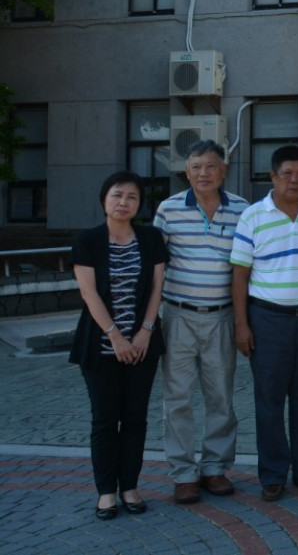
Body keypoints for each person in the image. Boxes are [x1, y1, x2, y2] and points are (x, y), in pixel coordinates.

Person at [230, 145, 298, 501]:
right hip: (268, 320)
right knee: (270, 399)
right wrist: (241, 325)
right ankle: (273, 474)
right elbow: (239, 274)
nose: (294, 180)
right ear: (273, 176)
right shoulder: (252, 217)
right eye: (287, 174)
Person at [153, 140, 248, 504]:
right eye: (196, 167)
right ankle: (183, 473)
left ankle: (214, 467)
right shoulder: (168, 209)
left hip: (222, 316)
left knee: (220, 395)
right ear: (186, 171)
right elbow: (156, 265)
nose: (203, 173)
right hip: (178, 315)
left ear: (224, 170)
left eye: (211, 166)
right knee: (177, 397)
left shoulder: (242, 209)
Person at [69, 171, 167, 520]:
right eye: (117, 195)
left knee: (136, 419)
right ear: (104, 199)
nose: (124, 202)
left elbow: (156, 288)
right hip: (100, 347)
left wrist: (144, 332)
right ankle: (106, 492)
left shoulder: (151, 238)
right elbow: (89, 293)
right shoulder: (88, 240)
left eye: (131, 197)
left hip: (142, 346)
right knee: (105, 420)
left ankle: (130, 487)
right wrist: (115, 336)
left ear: (139, 204)